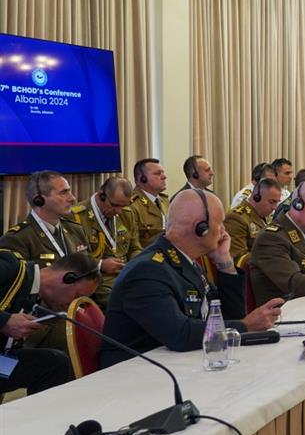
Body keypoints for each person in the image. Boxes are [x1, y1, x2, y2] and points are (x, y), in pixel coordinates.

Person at [101, 190, 284, 368]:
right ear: (201, 228)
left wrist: (225, 264)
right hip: (135, 373)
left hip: (176, 364)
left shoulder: (186, 261)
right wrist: (245, 326)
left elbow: (227, 316)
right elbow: (179, 334)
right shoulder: (147, 271)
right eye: (220, 223)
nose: (224, 231)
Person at [0, 251, 98, 393]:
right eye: (76, 295)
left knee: (55, 363)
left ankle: (40, 408)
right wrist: (5, 322)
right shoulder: (10, 265)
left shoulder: (35, 297)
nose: (71, 304)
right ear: (68, 278)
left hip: (2, 363)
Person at [70, 177, 142, 306]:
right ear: (101, 195)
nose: (118, 211)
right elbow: (73, 258)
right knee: (131, 304)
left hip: (127, 276)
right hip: (97, 281)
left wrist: (135, 263)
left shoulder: (127, 214)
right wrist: (100, 264)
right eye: (115, 205)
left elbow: (135, 248)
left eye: (123, 206)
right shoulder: (77, 216)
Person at [2, 171, 91, 269]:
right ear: (39, 200)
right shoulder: (18, 238)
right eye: (63, 193)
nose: (72, 198)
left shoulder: (76, 230)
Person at [224, 178, 282, 260]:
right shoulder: (237, 218)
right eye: (272, 202)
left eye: (277, 202)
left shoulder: (262, 215)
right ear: (256, 197)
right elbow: (238, 257)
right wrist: (272, 258)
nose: (274, 207)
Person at [129, 158, 170, 246]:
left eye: (163, 173)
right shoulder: (132, 205)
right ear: (142, 179)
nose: (164, 177)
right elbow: (134, 246)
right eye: (158, 173)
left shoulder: (165, 201)